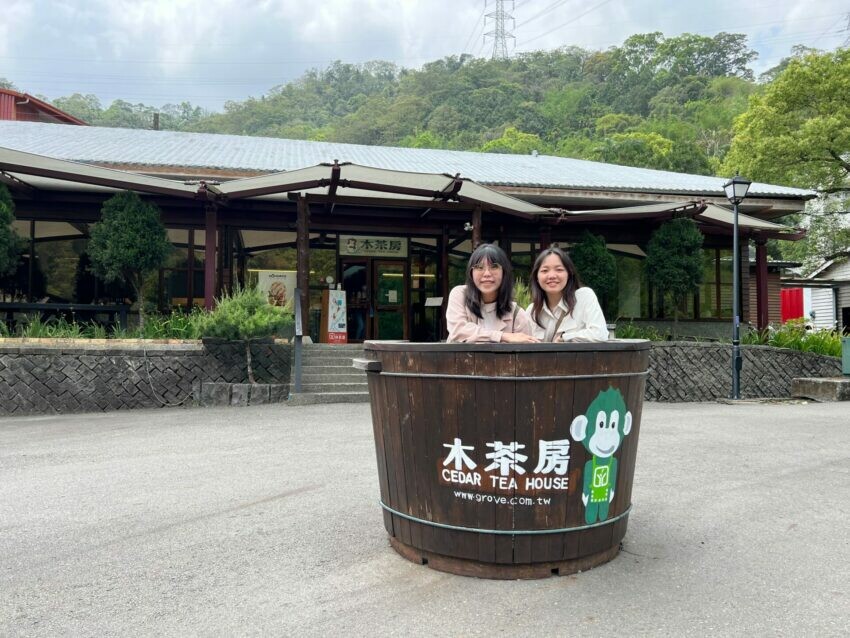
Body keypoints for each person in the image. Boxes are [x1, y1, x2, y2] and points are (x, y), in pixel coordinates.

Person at [446, 243, 538, 343]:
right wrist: (502, 336)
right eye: (479, 267)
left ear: (504, 272)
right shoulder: (460, 295)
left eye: (494, 267)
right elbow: (458, 331)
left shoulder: (517, 315)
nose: (487, 274)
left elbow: (527, 349)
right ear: (471, 273)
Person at [526, 247, 609, 342]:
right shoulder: (532, 311)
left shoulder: (584, 297)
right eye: (545, 271)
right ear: (537, 277)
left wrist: (565, 338)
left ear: (569, 274)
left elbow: (600, 334)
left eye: (559, 270)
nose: (552, 276)